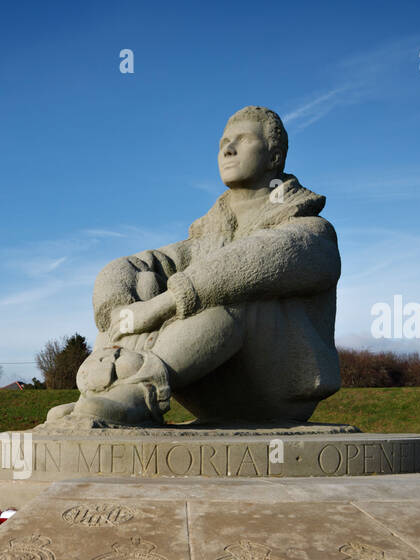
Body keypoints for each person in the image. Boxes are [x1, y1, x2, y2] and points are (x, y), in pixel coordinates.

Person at [46, 106, 341, 427]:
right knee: (144, 282)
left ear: (275, 157)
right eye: (223, 143)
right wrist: (119, 307)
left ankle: (141, 391)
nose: (227, 150)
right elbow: (137, 264)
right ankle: (107, 391)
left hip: (273, 394)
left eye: (242, 140)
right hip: (213, 392)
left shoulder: (312, 231)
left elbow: (256, 257)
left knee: (226, 290)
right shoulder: (207, 238)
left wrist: (166, 304)